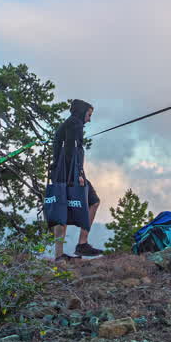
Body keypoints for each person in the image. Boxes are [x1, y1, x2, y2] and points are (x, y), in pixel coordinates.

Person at [50, 99, 102, 260]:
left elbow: (63, 150)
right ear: (82, 112)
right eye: (89, 114)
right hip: (70, 174)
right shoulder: (75, 125)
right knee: (93, 201)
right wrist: (78, 174)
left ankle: (60, 255)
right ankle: (82, 244)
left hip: (60, 174)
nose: (89, 119)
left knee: (62, 212)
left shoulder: (68, 124)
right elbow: (71, 152)